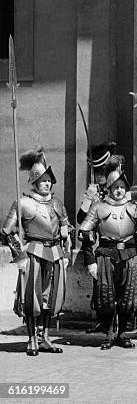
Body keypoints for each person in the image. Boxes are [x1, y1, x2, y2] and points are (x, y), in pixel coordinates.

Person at [1, 147, 72, 356]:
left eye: (49, 179)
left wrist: (66, 251)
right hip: (33, 253)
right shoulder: (23, 203)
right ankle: (32, 338)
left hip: (55, 254)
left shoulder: (58, 203)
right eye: (43, 180)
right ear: (34, 182)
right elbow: (7, 232)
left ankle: (45, 337)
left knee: (51, 298)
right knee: (32, 298)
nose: (47, 183)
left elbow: (66, 231)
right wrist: (19, 256)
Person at [78, 155, 137, 350]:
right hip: (106, 255)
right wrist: (90, 261)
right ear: (109, 188)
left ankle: (123, 334)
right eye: (115, 187)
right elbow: (85, 234)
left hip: (129, 255)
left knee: (128, 297)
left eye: (121, 186)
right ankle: (109, 333)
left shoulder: (134, 208)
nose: (119, 190)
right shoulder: (98, 207)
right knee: (106, 297)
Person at [76, 141, 118, 334]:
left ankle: (117, 322)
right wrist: (89, 199)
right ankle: (102, 320)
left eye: (104, 172)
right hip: (95, 244)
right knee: (99, 285)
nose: (101, 176)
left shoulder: (116, 190)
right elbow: (80, 218)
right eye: (99, 172)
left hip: (113, 241)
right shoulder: (93, 192)